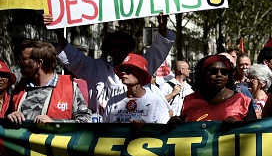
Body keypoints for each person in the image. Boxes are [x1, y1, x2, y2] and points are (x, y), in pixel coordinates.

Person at [46, 12, 174, 115]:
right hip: (101, 131)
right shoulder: (96, 68)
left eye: (125, 46)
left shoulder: (140, 68)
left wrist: (162, 29)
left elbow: (157, 52)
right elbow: (72, 57)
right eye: (116, 46)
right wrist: (57, 30)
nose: (121, 50)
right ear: (109, 48)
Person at [8, 40, 91, 125]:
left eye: (24, 59)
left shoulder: (70, 88)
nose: (19, 62)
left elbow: (85, 121)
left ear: (39, 63)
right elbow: (6, 115)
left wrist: (54, 122)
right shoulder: (20, 87)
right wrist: (10, 116)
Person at [177, 54, 257, 123]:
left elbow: (254, 132)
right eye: (213, 71)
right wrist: (176, 123)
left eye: (224, 72)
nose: (219, 75)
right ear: (203, 74)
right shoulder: (190, 100)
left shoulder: (243, 101)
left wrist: (238, 126)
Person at [103, 54, 171, 124]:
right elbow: (104, 129)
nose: (123, 72)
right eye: (122, 69)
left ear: (141, 75)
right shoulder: (113, 101)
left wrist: (146, 127)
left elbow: (164, 131)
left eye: (129, 69)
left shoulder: (157, 101)